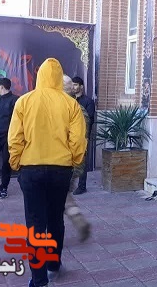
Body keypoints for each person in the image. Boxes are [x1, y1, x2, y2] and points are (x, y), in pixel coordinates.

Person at [8, 58, 86, 287]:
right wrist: (73, 161)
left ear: (39, 76)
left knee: (35, 225)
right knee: (55, 220)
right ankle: (53, 266)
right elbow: (78, 140)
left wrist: (16, 164)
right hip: (60, 170)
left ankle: (39, 280)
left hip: (30, 170)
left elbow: (15, 138)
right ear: (59, 77)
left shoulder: (24, 101)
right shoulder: (71, 104)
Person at [63, 75, 92, 243]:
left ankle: (51, 234)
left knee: (56, 198)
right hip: (73, 162)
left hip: (64, 162)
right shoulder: (79, 109)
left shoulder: (68, 110)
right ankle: (79, 220)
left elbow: (78, 139)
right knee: (64, 195)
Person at [71, 76, 95, 195]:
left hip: (83, 136)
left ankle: (82, 186)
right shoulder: (70, 100)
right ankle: (69, 185)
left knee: (82, 161)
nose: (73, 87)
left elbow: (89, 119)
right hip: (70, 135)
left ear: (81, 87)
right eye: (72, 84)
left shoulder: (88, 101)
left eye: (75, 85)